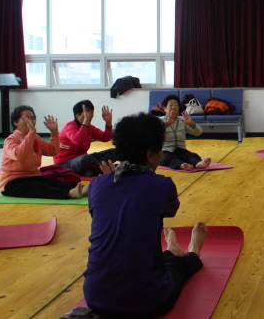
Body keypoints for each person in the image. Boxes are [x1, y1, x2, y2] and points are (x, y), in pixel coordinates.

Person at [84, 112, 207, 318]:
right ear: (151, 154)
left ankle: (172, 250)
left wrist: (111, 185)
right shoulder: (162, 185)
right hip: (147, 302)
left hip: (95, 298)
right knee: (177, 266)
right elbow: (169, 209)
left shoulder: (96, 185)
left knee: (148, 258)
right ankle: (192, 252)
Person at [0, 105, 85, 199]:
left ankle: (84, 190)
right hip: (12, 182)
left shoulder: (36, 138)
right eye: (27, 118)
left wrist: (54, 132)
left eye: (33, 118)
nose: (31, 121)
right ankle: (69, 193)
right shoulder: (11, 140)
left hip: (33, 176)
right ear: (15, 122)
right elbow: (20, 155)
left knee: (55, 182)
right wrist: (31, 133)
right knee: (39, 187)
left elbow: (52, 151)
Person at [54, 100, 117, 177]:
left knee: (116, 151)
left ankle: (92, 170)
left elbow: (105, 138)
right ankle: (108, 169)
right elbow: (77, 140)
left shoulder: (89, 127)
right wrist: (85, 122)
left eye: (91, 112)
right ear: (77, 115)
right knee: (85, 159)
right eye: (86, 113)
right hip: (65, 163)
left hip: (84, 160)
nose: (90, 116)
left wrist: (108, 123)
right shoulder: (69, 126)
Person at [160, 94, 211, 170]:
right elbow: (153, 133)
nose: (173, 107)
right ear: (164, 108)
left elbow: (198, 133)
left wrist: (192, 124)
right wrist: (166, 124)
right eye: (170, 105)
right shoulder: (159, 120)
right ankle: (182, 165)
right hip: (164, 151)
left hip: (180, 150)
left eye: (176, 105)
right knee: (168, 158)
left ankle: (198, 164)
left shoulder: (182, 120)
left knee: (191, 155)